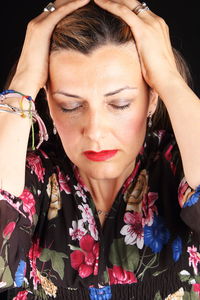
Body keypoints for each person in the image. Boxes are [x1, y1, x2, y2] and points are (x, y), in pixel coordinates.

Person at [0, 0, 200, 299]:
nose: (94, 131)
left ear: (153, 98)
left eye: (120, 104)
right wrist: (23, 81)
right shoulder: (31, 176)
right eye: (71, 105)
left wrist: (170, 80)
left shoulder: (180, 165)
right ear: (49, 106)